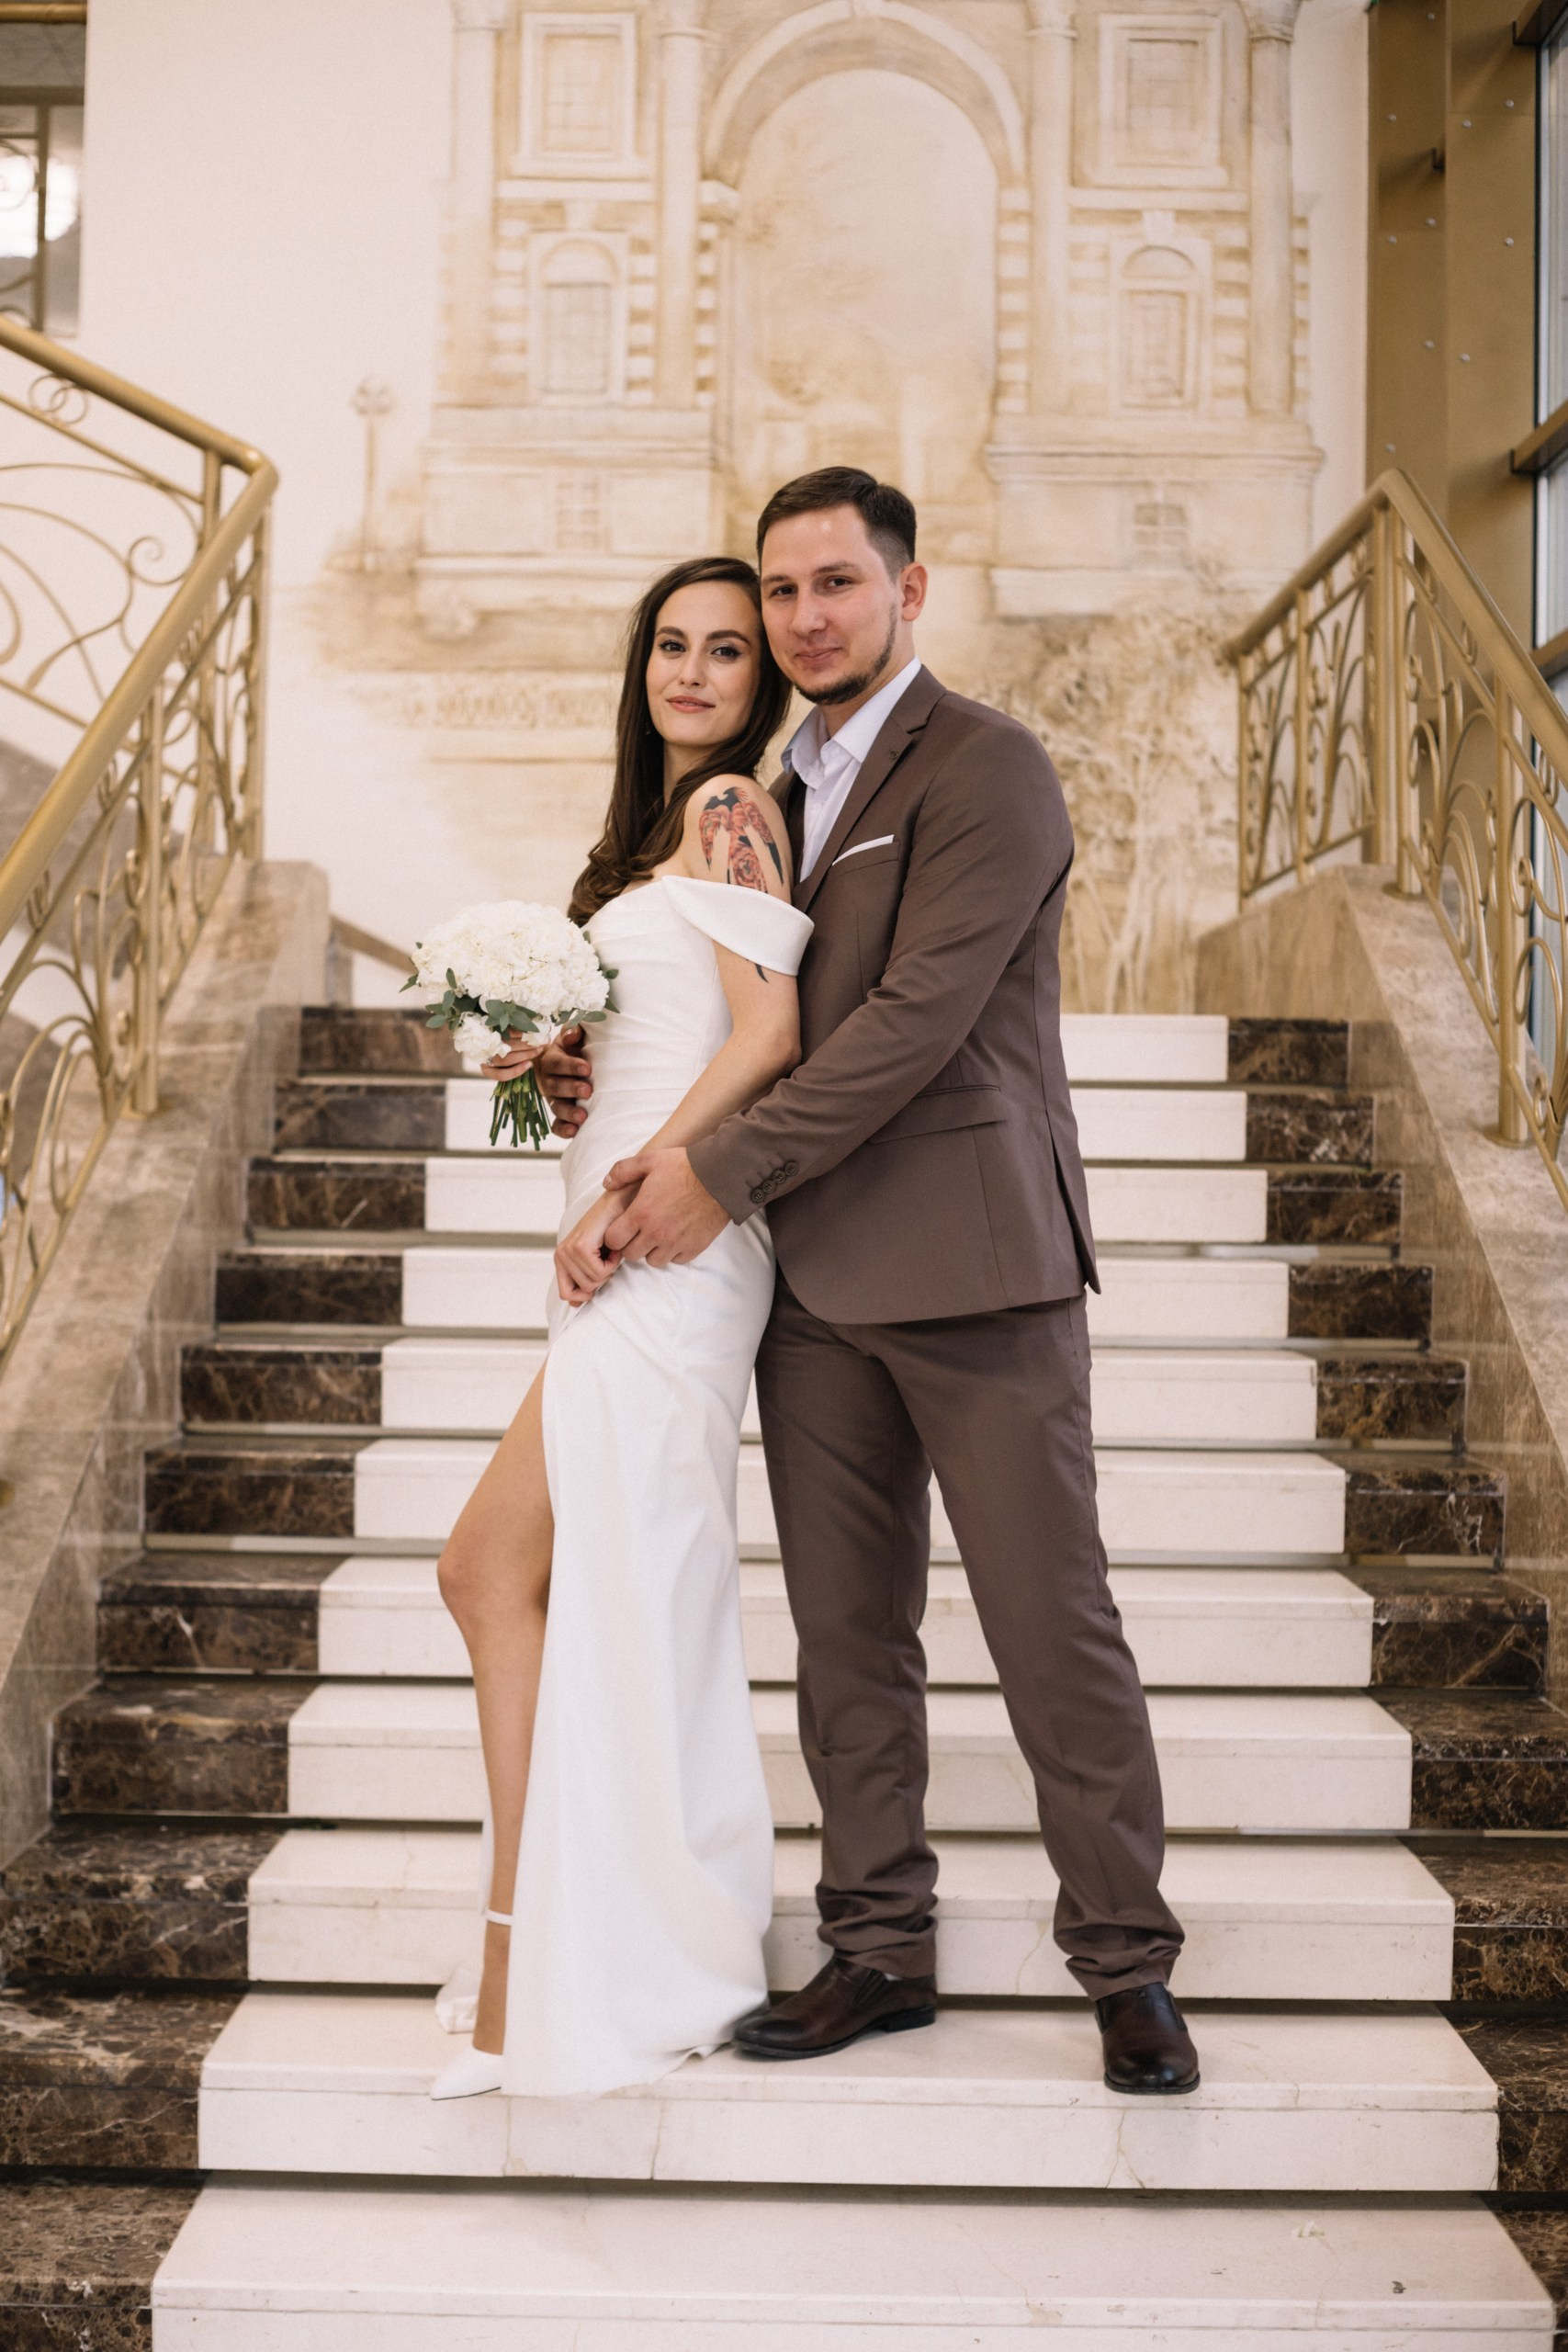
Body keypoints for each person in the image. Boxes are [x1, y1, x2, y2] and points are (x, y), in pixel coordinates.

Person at [546, 468, 1200, 2096]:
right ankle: (880, 1948)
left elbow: (915, 1021)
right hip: (814, 1281)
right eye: (782, 591)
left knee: (1049, 1622)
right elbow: (743, 1009)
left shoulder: (988, 766)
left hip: (977, 1264)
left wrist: (716, 1170)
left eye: (835, 583)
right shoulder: (764, 790)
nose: (803, 617)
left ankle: (1125, 1962)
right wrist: (600, 1067)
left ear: (909, 590)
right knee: (847, 1640)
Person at [430, 553, 807, 2099]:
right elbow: (675, 1025)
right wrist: (552, 1063)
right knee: (525, 1578)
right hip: (613, 1228)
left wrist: (645, 1173)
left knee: (526, 1574)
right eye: (671, 644)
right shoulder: (647, 843)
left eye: (728, 650)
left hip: (671, 1240)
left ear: (762, 681)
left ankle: (549, 1964)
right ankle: (552, 1944)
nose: (693, 672)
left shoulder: (730, 810)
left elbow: (773, 1032)